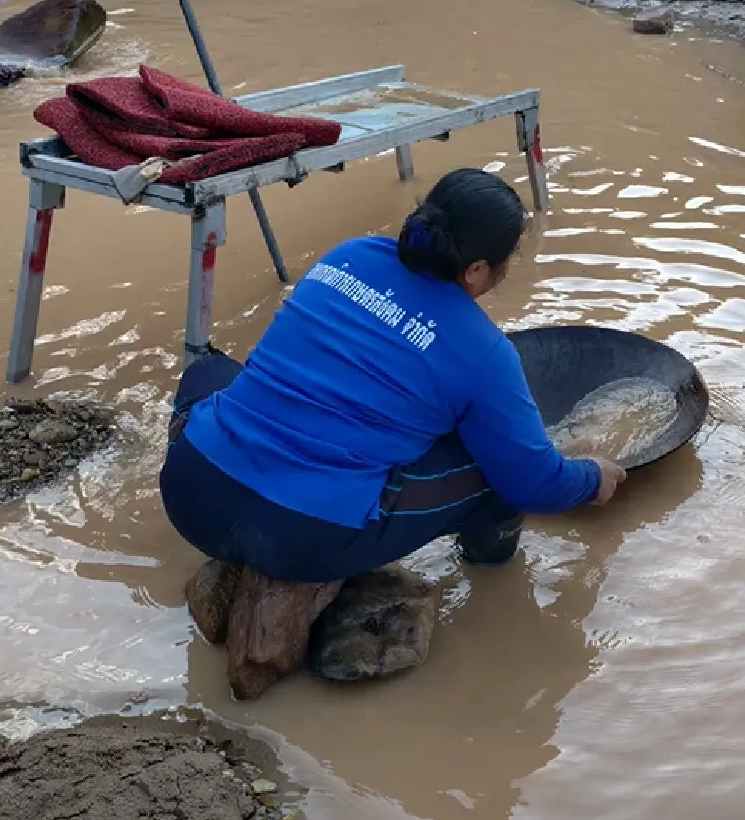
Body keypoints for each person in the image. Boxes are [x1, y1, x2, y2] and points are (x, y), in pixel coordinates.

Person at [160, 169, 628, 583]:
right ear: (478, 269)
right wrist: (592, 477)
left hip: (190, 493)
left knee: (208, 370)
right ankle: (490, 576)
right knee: (499, 479)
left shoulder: (350, 255)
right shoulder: (485, 352)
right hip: (297, 538)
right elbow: (534, 483)